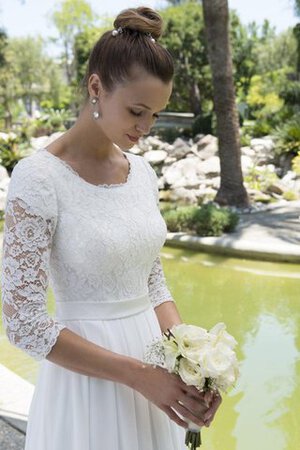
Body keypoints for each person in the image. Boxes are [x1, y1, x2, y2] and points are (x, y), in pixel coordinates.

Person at [1, 7, 221, 450]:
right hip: (89, 384)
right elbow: (22, 322)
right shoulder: (38, 178)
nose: (145, 128)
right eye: (137, 111)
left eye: (155, 115)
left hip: (155, 375)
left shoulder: (142, 174)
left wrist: (190, 362)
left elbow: (152, 280)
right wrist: (139, 377)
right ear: (96, 87)